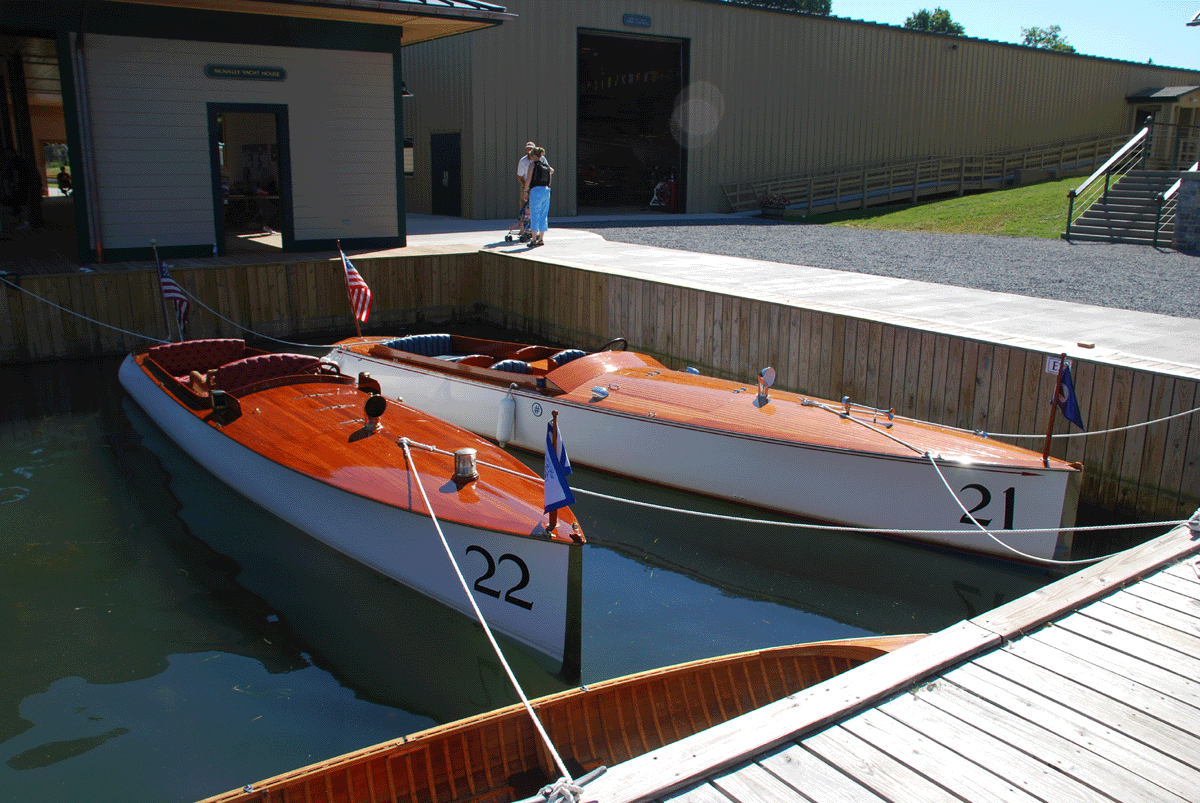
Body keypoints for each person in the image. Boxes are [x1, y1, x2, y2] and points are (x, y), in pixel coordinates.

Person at [523, 146, 553, 247]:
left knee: (535, 214)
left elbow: (528, 179)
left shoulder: (533, 165)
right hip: (546, 190)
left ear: (534, 155)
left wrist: (525, 191)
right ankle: (541, 239)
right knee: (544, 215)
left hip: (536, 191)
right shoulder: (546, 165)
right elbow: (551, 171)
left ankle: (534, 239)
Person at [516, 141, 535, 239]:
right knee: (524, 206)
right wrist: (526, 187)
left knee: (535, 208)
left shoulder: (541, 159)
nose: (529, 150)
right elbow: (520, 176)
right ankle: (522, 229)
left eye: (531, 148)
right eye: (527, 148)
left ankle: (534, 229)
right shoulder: (523, 161)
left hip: (537, 187)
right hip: (526, 186)